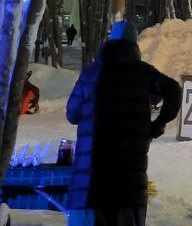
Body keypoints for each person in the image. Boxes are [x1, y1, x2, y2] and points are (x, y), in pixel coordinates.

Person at [66, 20, 181, 226]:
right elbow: (173, 90)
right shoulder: (144, 73)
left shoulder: (91, 73)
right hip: (129, 184)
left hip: (90, 181)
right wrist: (158, 124)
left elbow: (72, 114)